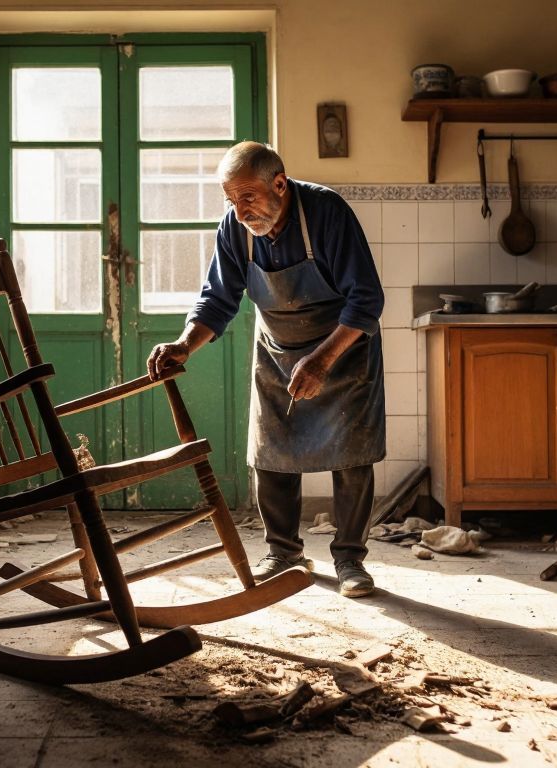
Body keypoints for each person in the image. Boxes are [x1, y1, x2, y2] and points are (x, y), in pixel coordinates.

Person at [146, 141, 386, 598]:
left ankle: (350, 559)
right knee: (271, 452)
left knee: (353, 454)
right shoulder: (234, 230)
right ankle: (283, 552)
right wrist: (184, 345)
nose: (240, 212)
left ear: (279, 183)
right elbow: (218, 299)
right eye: (231, 201)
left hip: (342, 348)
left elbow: (367, 300)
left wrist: (321, 360)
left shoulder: (327, 213)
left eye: (248, 197)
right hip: (277, 349)